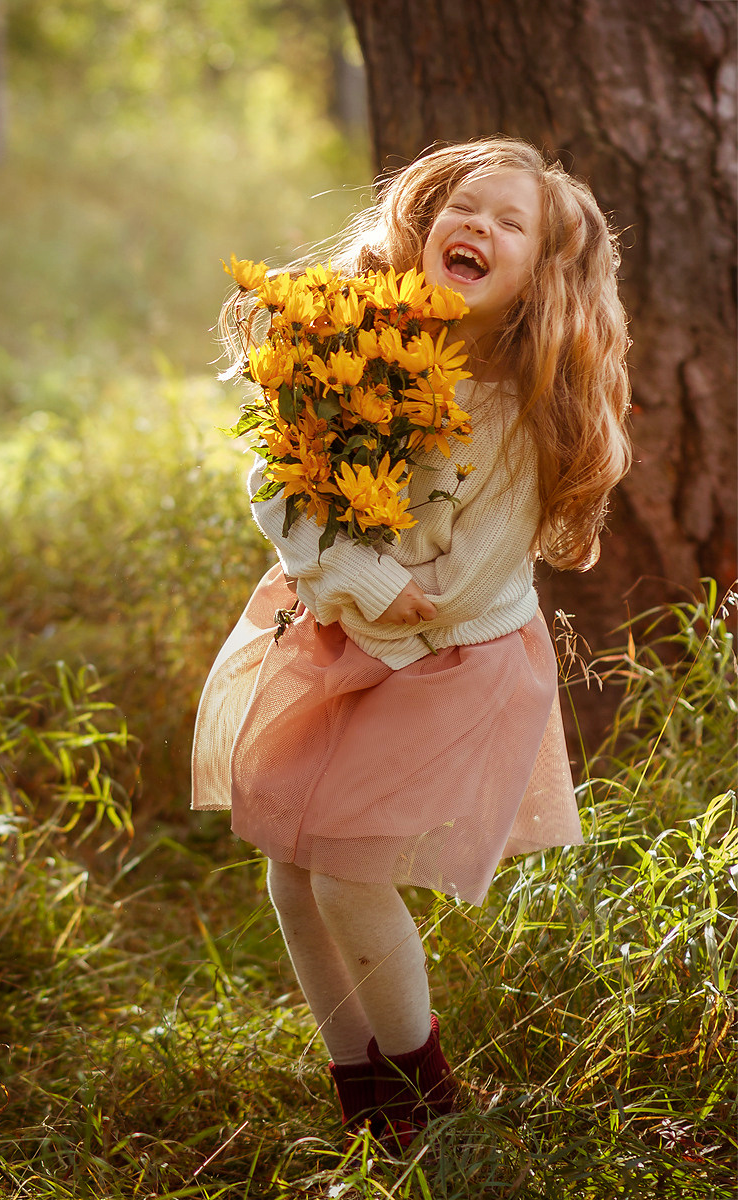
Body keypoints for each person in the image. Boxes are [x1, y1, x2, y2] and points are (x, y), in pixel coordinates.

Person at [191, 137, 631, 1142]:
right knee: (291, 872)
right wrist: (341, 576)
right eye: (463, 207)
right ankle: (362, 1095)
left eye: (509, 223)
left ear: (539, 280)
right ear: (423, 226)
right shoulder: (356, 342)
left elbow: (457, 582)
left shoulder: (520, 404)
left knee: (349, 871)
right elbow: (279, 475)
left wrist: (357, 593)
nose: (477, 226)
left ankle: (428, 1110)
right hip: (343, 624)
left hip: (447, 658)